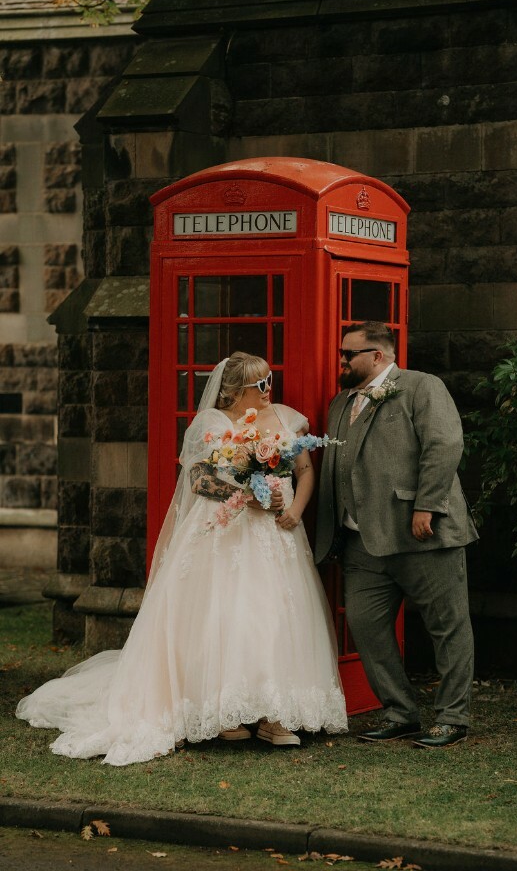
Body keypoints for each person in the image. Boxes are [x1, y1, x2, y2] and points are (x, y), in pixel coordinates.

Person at [17, 352, 347, 765]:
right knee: (223, 614)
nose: (268, 390)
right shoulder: (212, 425)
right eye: (258, 385)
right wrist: (247, 497)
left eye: (269, 381)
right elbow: (199, 480)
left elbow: (305, 470)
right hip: (225, 530)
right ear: (234, 391)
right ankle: (221, 709)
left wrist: (294, 509)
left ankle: (273, 712)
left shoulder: (284, 417)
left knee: (277, 614)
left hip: (278, 533)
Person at [316, 322, 478, 749]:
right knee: (366, 626)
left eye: (349, 354)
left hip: (421, 533)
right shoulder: (339, 404)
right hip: (361, 542)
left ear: (379, 356)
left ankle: (452, 718)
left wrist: (427, 504)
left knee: (448, 626)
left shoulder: (422, 387)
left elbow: (445, 444)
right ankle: (400, 712)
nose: (342, 361)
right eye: (341, 353)